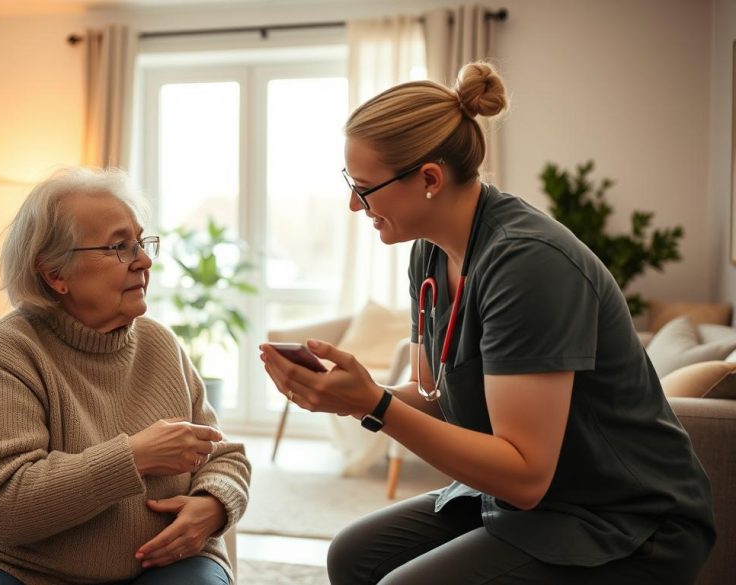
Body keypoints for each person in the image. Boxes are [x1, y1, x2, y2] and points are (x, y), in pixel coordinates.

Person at [259, 61, 715, 585]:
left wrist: (374, 405)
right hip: (531, 497)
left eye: (364, 189)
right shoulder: (428, 255)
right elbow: (436, 395)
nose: (353, 205)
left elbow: (524, 475)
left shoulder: (528, 264)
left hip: (622, 518)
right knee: (352, 554)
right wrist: (353, 393)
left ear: (429, 178)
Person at [0, 167, 251, 585]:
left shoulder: (161, 345)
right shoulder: (8, 350)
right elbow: (6, 505)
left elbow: (224, 456)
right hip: (13, 564)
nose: (144, 261)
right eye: (120, 246)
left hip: (153, 563)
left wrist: (214, 503)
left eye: (140, 241)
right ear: (54, 273)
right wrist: (134, 456)